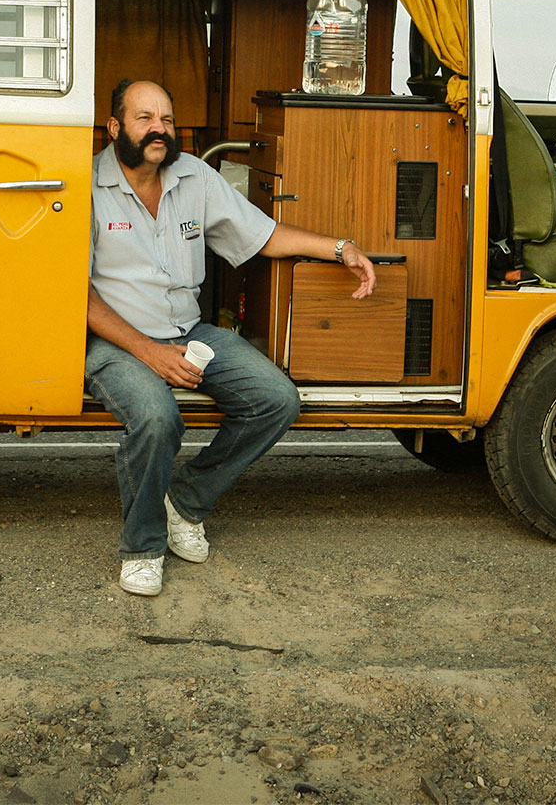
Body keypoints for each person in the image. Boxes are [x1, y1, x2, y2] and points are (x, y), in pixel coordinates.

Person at [87, 78, 377, 596]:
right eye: (144, 118)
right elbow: (74, 295)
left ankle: (185, 501)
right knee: (157, 417)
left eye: (167, 120)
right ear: (114, 128)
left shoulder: (194, 176)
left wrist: (340, 248)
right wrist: (149, 352)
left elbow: (262, 235)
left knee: (276, 399)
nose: (159, 129)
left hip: (188, 330)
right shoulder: (85, 184)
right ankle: (143, 545)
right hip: (116, 340)